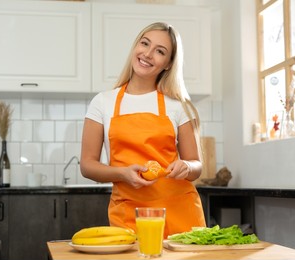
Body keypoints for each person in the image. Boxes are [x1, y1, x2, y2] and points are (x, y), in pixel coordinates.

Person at [80, 22, 206, 238]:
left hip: (179, 213)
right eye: (145, 43)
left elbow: (196, 165)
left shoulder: (178, 105)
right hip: (129, 214)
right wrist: (122, 173)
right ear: (135, 46)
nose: (148, 54)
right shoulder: (103, 102)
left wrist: (186, 166)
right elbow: (87, 165)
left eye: (160, 51)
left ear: (168, 64)